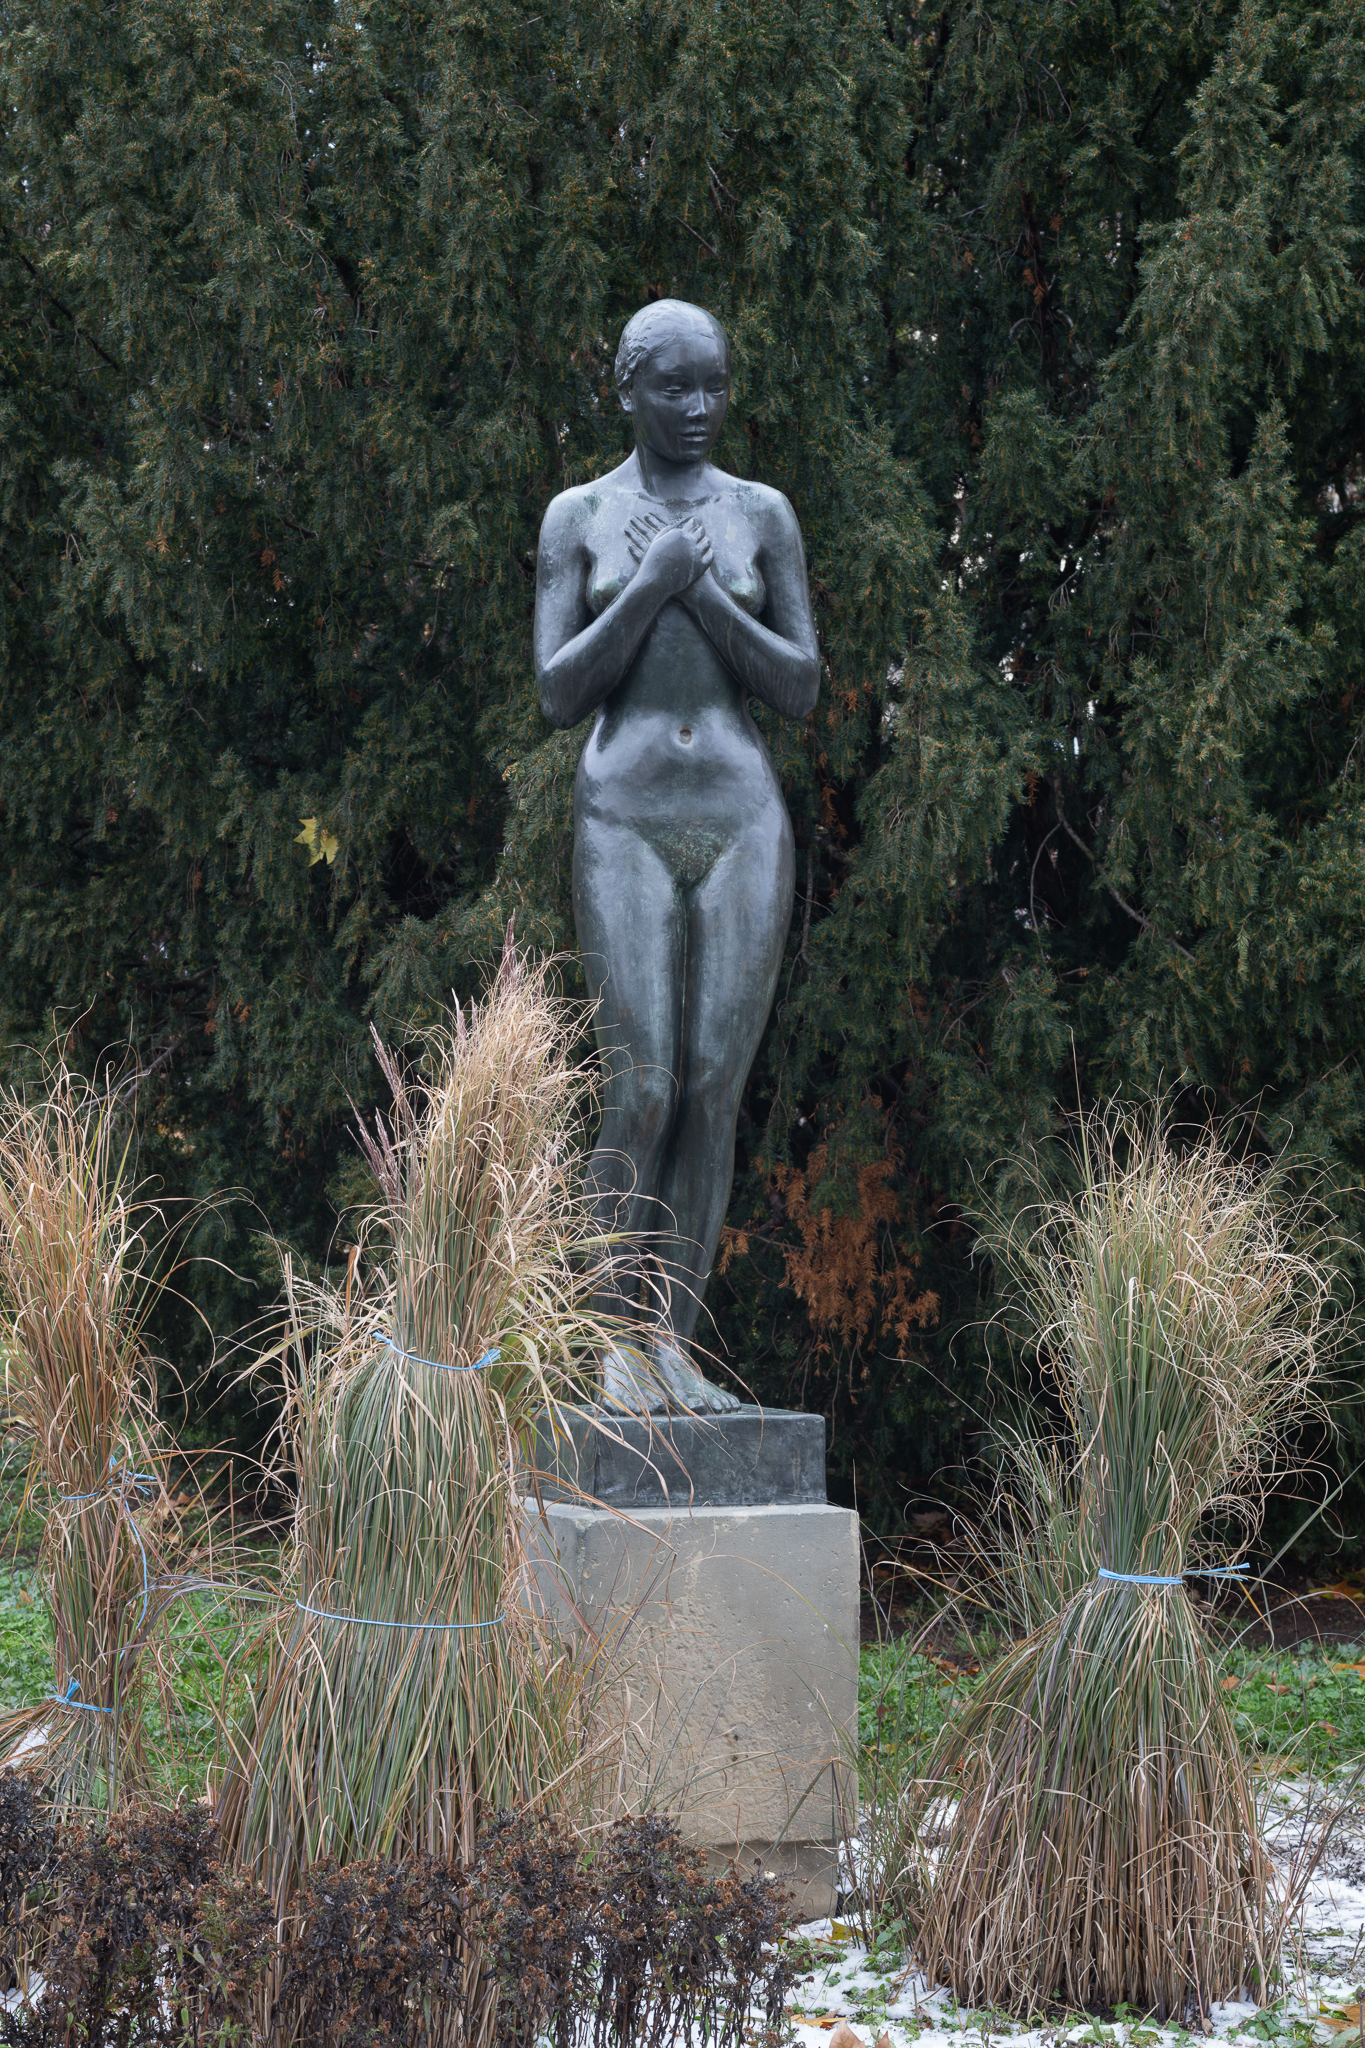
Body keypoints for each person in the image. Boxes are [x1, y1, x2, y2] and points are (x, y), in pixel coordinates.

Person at [534, 300, 819, 1412]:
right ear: (627, 390)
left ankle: (672, 1345)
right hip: (626, 813)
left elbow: (797, 684)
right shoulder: (580, 516)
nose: (698, 408)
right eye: (673, 387)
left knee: (711, 1085)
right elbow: (558, 690)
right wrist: (651, 584)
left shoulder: (760, 514)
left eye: (714, 385)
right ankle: (610, 1338)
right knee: (642, 1083)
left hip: (742, 816)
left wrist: (697, 587)